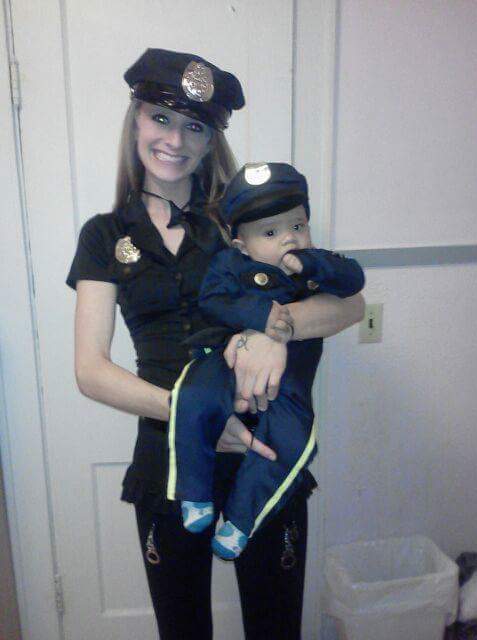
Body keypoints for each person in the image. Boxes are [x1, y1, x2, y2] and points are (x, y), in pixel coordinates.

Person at [67, 48, 365, 640]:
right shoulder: (104, 235)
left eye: (194, 126)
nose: (174, 139)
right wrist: (194, 414)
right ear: (136, 120)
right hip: (168, 460)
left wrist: (276, 329)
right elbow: (90, 370)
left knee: (276, 628)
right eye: (160, 118)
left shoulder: (244, 220)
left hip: (263, 448)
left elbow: (349, 306)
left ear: (211, 140)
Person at [168, 162, 365, 559]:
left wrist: (315, 265)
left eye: (298, 225)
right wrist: (261, 318)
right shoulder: (230, 265)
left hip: (289, 382)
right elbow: (213, 300)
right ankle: (194, 492)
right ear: (242, 245)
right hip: (225, 362)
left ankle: (240, 521)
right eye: (270, 233)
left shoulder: (315, 266)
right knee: (193, 396)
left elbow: (353, 282)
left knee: (293, 441)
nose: (289, 238)